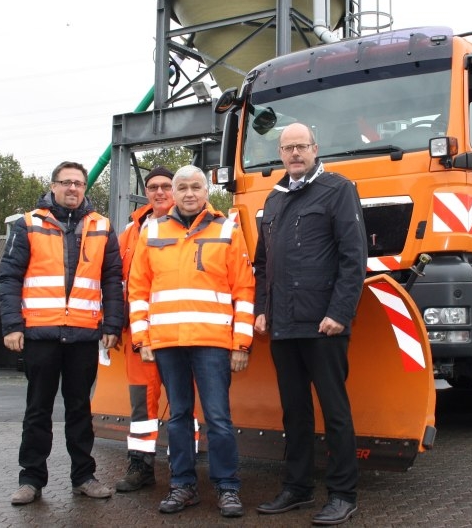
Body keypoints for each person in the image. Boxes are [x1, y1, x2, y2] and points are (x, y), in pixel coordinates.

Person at [253, 123, 368, 526]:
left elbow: (354, 257)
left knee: (335, 411)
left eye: (301, 146)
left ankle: (342, 494)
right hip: (283, 326)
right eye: (288, 148)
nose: (295, 153)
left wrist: (339, 313)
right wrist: (261, 308)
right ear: (280, 154)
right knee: (294, 412)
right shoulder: (274, 197)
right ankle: (297, 488)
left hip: (323, 325)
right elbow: (264, 263)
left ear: (315, 149)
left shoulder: (338, 190)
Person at [127, 165, 254, 518]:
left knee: (218, 417)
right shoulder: (151, 230)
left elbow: (244, 290)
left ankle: (227, 487)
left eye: (195, 186)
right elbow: (137, 289)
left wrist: (241, 343)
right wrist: (142, 338)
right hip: (168, 342)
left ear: (206, 190)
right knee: (179, 416)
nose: (188, 193)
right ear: (175, 192)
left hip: (212, 342)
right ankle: (182, 486)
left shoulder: (227, 229)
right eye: (181, 187)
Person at [0, 161, 124, 505]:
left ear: (85, 188)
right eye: (66, 182)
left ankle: (84, 476)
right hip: (40, 334)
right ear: (52, 186)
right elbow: (10, 277)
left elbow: (113, 280)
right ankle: (31, 480)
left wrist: (112, 325)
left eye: (79, 183)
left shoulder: (102, 226)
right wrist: (12, 326)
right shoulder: (29, 224)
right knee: (37, 410)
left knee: (80, 410)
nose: (73, 188)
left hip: (84, 335)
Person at [114, 166, 183, 492]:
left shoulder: (196, 225)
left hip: (179, 332)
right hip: (140, 335)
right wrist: (115, 324)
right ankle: (140, 467)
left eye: (166, 186)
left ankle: (183, 471)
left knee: (183, 403)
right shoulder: (131, 231)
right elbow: (117, 282)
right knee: (141, 406)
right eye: (153, 186)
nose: (159, 192)